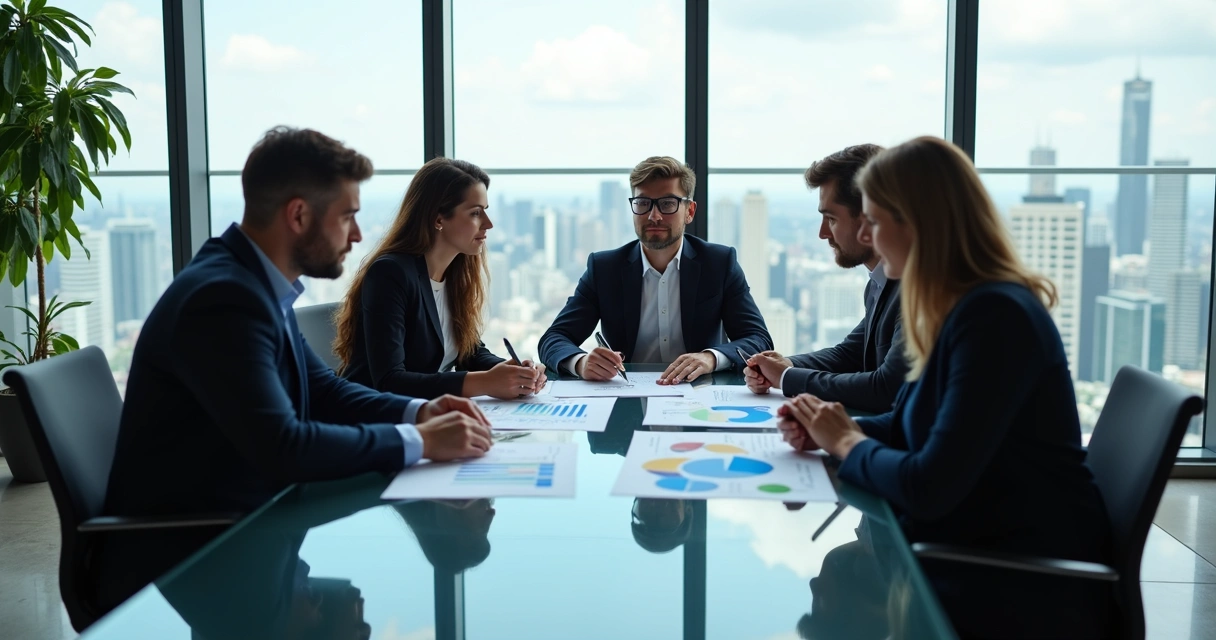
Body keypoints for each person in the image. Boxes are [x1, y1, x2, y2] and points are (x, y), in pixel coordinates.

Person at [98, 127, 494, 611]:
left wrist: (420, 412)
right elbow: (283, 446)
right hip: (194, 555)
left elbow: (325, 390)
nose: (357, 234)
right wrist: (420, 442)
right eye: (347, 215)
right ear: (299, 215)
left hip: (253, 524)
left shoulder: (254, 283)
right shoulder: (224, 299)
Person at [777, 136, 1113, 637]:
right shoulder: (954, 306)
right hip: (978, 542)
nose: (866, 234)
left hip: (1014, 583)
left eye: (872, 220)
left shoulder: (995, 316)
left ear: (916, 223)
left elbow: (927, 486)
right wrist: (834, 433)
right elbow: (914, 422)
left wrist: (847, 442)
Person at [538, 156, 772, 383]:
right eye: (642, 203)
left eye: (668, 204)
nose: (654, 216)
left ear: (689, 211)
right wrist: (581, 363)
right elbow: (554, 338)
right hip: (626, 399)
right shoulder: (604, 269)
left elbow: (759, 339)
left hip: (700, 396)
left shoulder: (719, 263)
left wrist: (710, 358)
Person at [335, 157, 545, 400]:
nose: (488, 224)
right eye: (475, 213)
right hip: (371, 416)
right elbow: (390, 381)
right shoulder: (390, 274)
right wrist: (486, 382)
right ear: (438, 219)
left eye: (485, 212)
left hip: (425, 415)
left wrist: (517, 372)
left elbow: (470, 353)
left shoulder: (455, 274)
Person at [744, 144, 906, 413]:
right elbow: (850, 354)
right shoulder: (879, 283)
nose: (822, 233)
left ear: (869, 218)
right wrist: (786, 365)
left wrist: (785, 378)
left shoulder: (916, 289)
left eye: (831, 219)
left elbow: (887, 388)